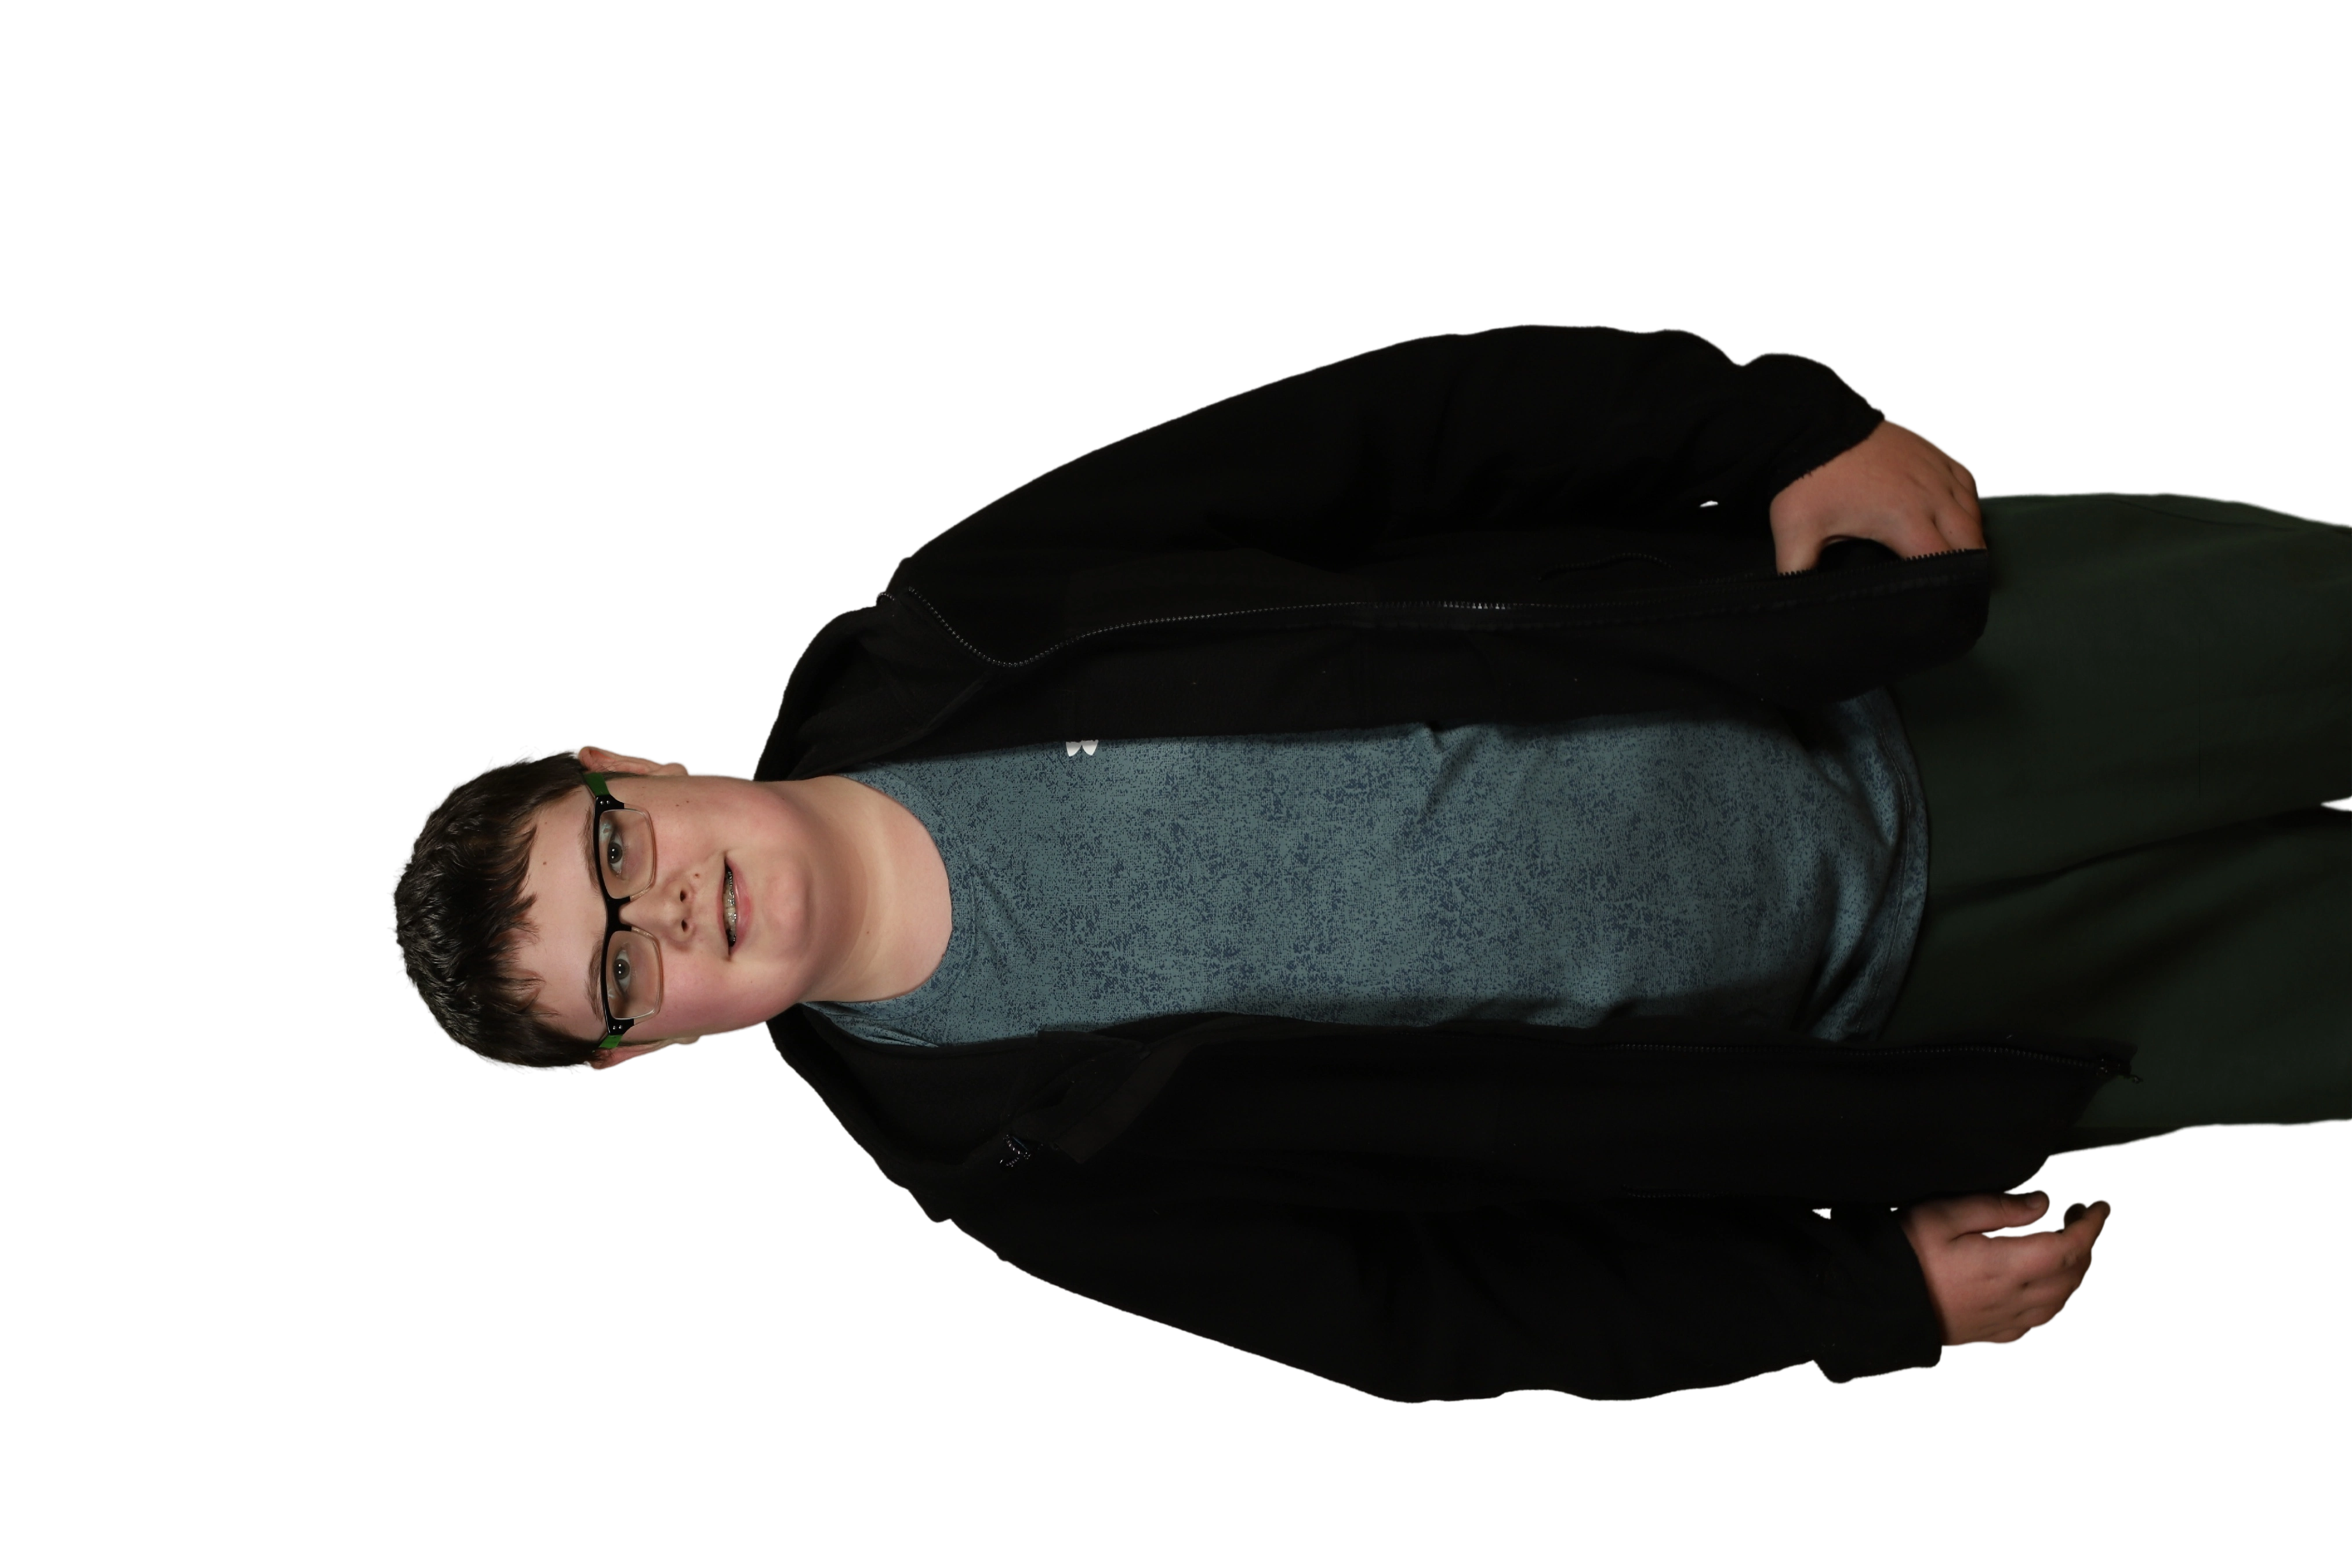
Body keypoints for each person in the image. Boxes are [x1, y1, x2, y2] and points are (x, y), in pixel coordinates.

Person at [388, 323, 2351, 1402]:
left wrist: (1775, 435)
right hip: (1925, 1015)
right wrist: (1861, 1297)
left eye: (615, 855)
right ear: (650, 1048)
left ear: (630, 762)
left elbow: (1408, 432)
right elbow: (1449, 1311)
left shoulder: (975, 614)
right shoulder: (1014, 1163)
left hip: (1893, 665)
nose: (668, 913)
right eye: (622, 971)